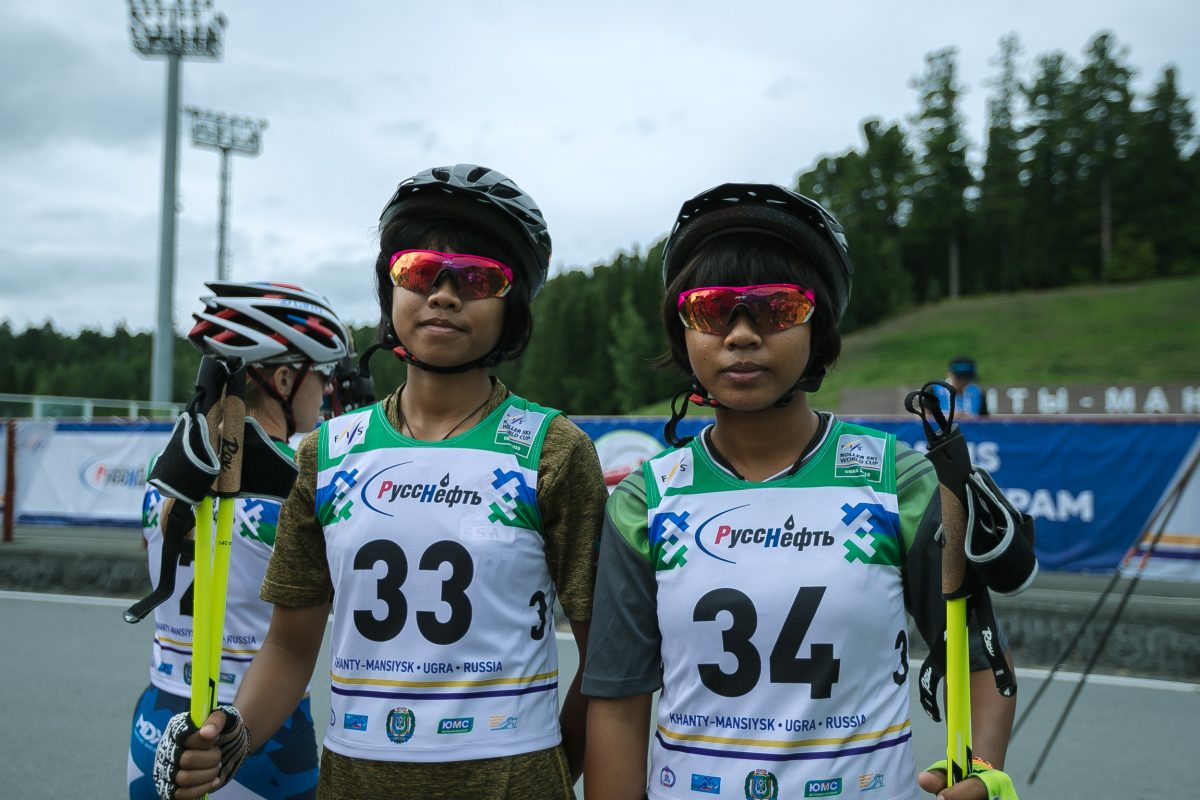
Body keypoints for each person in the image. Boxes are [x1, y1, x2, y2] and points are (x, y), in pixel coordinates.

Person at [154, 164, 608, 800]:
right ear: (389, 288)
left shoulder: (554, 450)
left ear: (514, 308)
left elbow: (605, 661)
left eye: (477, 278)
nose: (444, 295)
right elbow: (289, 647)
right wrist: (235, 735)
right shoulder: (328, 452)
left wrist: (551, 774)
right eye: (419, 272)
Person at [582, 183, 1019, 800]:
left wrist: (983, 769)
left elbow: (978, 659)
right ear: (683, 333)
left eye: (777, 310)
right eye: (711, 311)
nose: (741, 334)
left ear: (820, 329)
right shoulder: (643, 501)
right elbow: (619, 702)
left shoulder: (898, 481)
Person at [128, 281, 354, 799]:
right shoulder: (299, 483)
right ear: (283, 378)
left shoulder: (166, 470)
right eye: (321, 376)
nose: (326, 392)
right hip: (258, 733)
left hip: (157, 719)